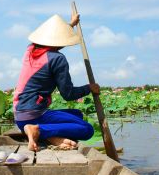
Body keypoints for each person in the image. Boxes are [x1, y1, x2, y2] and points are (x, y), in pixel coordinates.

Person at [13, 13, 100, 151]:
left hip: (19, 117)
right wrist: (89, 88)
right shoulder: (57, 59)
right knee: (87, 129)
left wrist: (70, 25)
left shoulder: (30, 50)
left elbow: (53, 38)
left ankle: (49, 136)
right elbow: (68, 94)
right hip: (34, 116)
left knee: (77, 114)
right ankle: (38, 130)